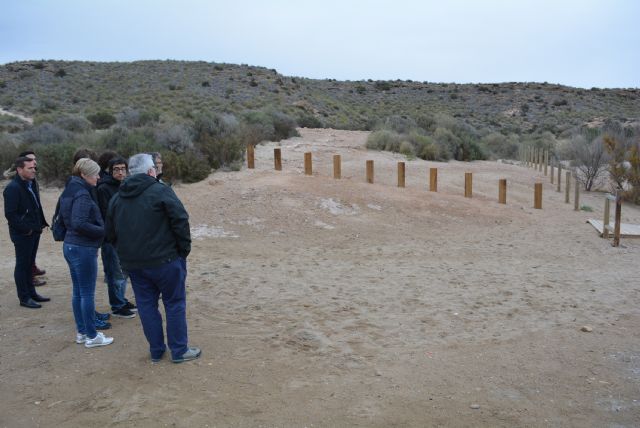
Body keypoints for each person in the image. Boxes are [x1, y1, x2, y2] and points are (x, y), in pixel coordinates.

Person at [106, 153, 199, 363]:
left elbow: (110, 234)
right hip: (165, 261)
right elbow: (180, 220)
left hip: (135, 264)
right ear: (151, 171)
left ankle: (157, 350)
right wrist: (183, 250)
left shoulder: (117, 198)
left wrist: (125, 255)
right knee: (174, 303)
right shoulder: (161, 191)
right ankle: (179, 350)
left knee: (147, 305)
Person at [59, 158, 114, 348]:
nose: (98, 177)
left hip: (71, 246)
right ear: (84, 174)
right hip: (82, 248)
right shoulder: (82, 193)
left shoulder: (70, 188)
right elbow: (79, 222)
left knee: (79, 293)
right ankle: (91, 335)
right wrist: (103, 231)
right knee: (86, 294)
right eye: (95, 174)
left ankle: (83, 332)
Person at [3, 157, 50, 308]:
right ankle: (24, 297)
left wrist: (39, 225)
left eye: (34, 168)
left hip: (34, 231)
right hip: (23, 234)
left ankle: (32, 293)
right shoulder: (13, 188)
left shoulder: (30, 184)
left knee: (29, 264)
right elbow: (11, 215)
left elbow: (36, 206)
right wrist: (27, 229)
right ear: (19, 170)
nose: (33, 170)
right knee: (22, 265)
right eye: (30, 168)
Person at [96, 157, 137, 318]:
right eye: (116, 169)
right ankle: (117, 305)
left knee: (124, 272)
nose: (120, 172)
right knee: (115, 273)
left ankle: (121, 299)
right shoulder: (103, 189)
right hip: (111, 238)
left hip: (126, 237)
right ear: (110, 171)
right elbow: (107, 214)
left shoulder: (127, 186)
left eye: (123, 169)